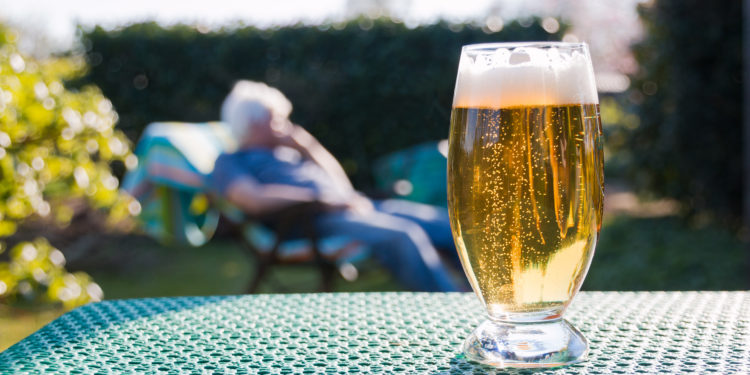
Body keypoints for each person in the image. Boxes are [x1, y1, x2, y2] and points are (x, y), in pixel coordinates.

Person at [210, 80, 464, 292]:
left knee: (445, 225)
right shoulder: (230, 161)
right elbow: (252, 199)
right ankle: (448, 305)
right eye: (277, 119)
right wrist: (320, 199)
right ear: (253, 123)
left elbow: (342, 186)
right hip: (310, 222)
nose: (286, 126)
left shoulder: (287, 155)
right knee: (404, 234)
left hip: (349, 206)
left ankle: (480, 299)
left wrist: (309, 147)